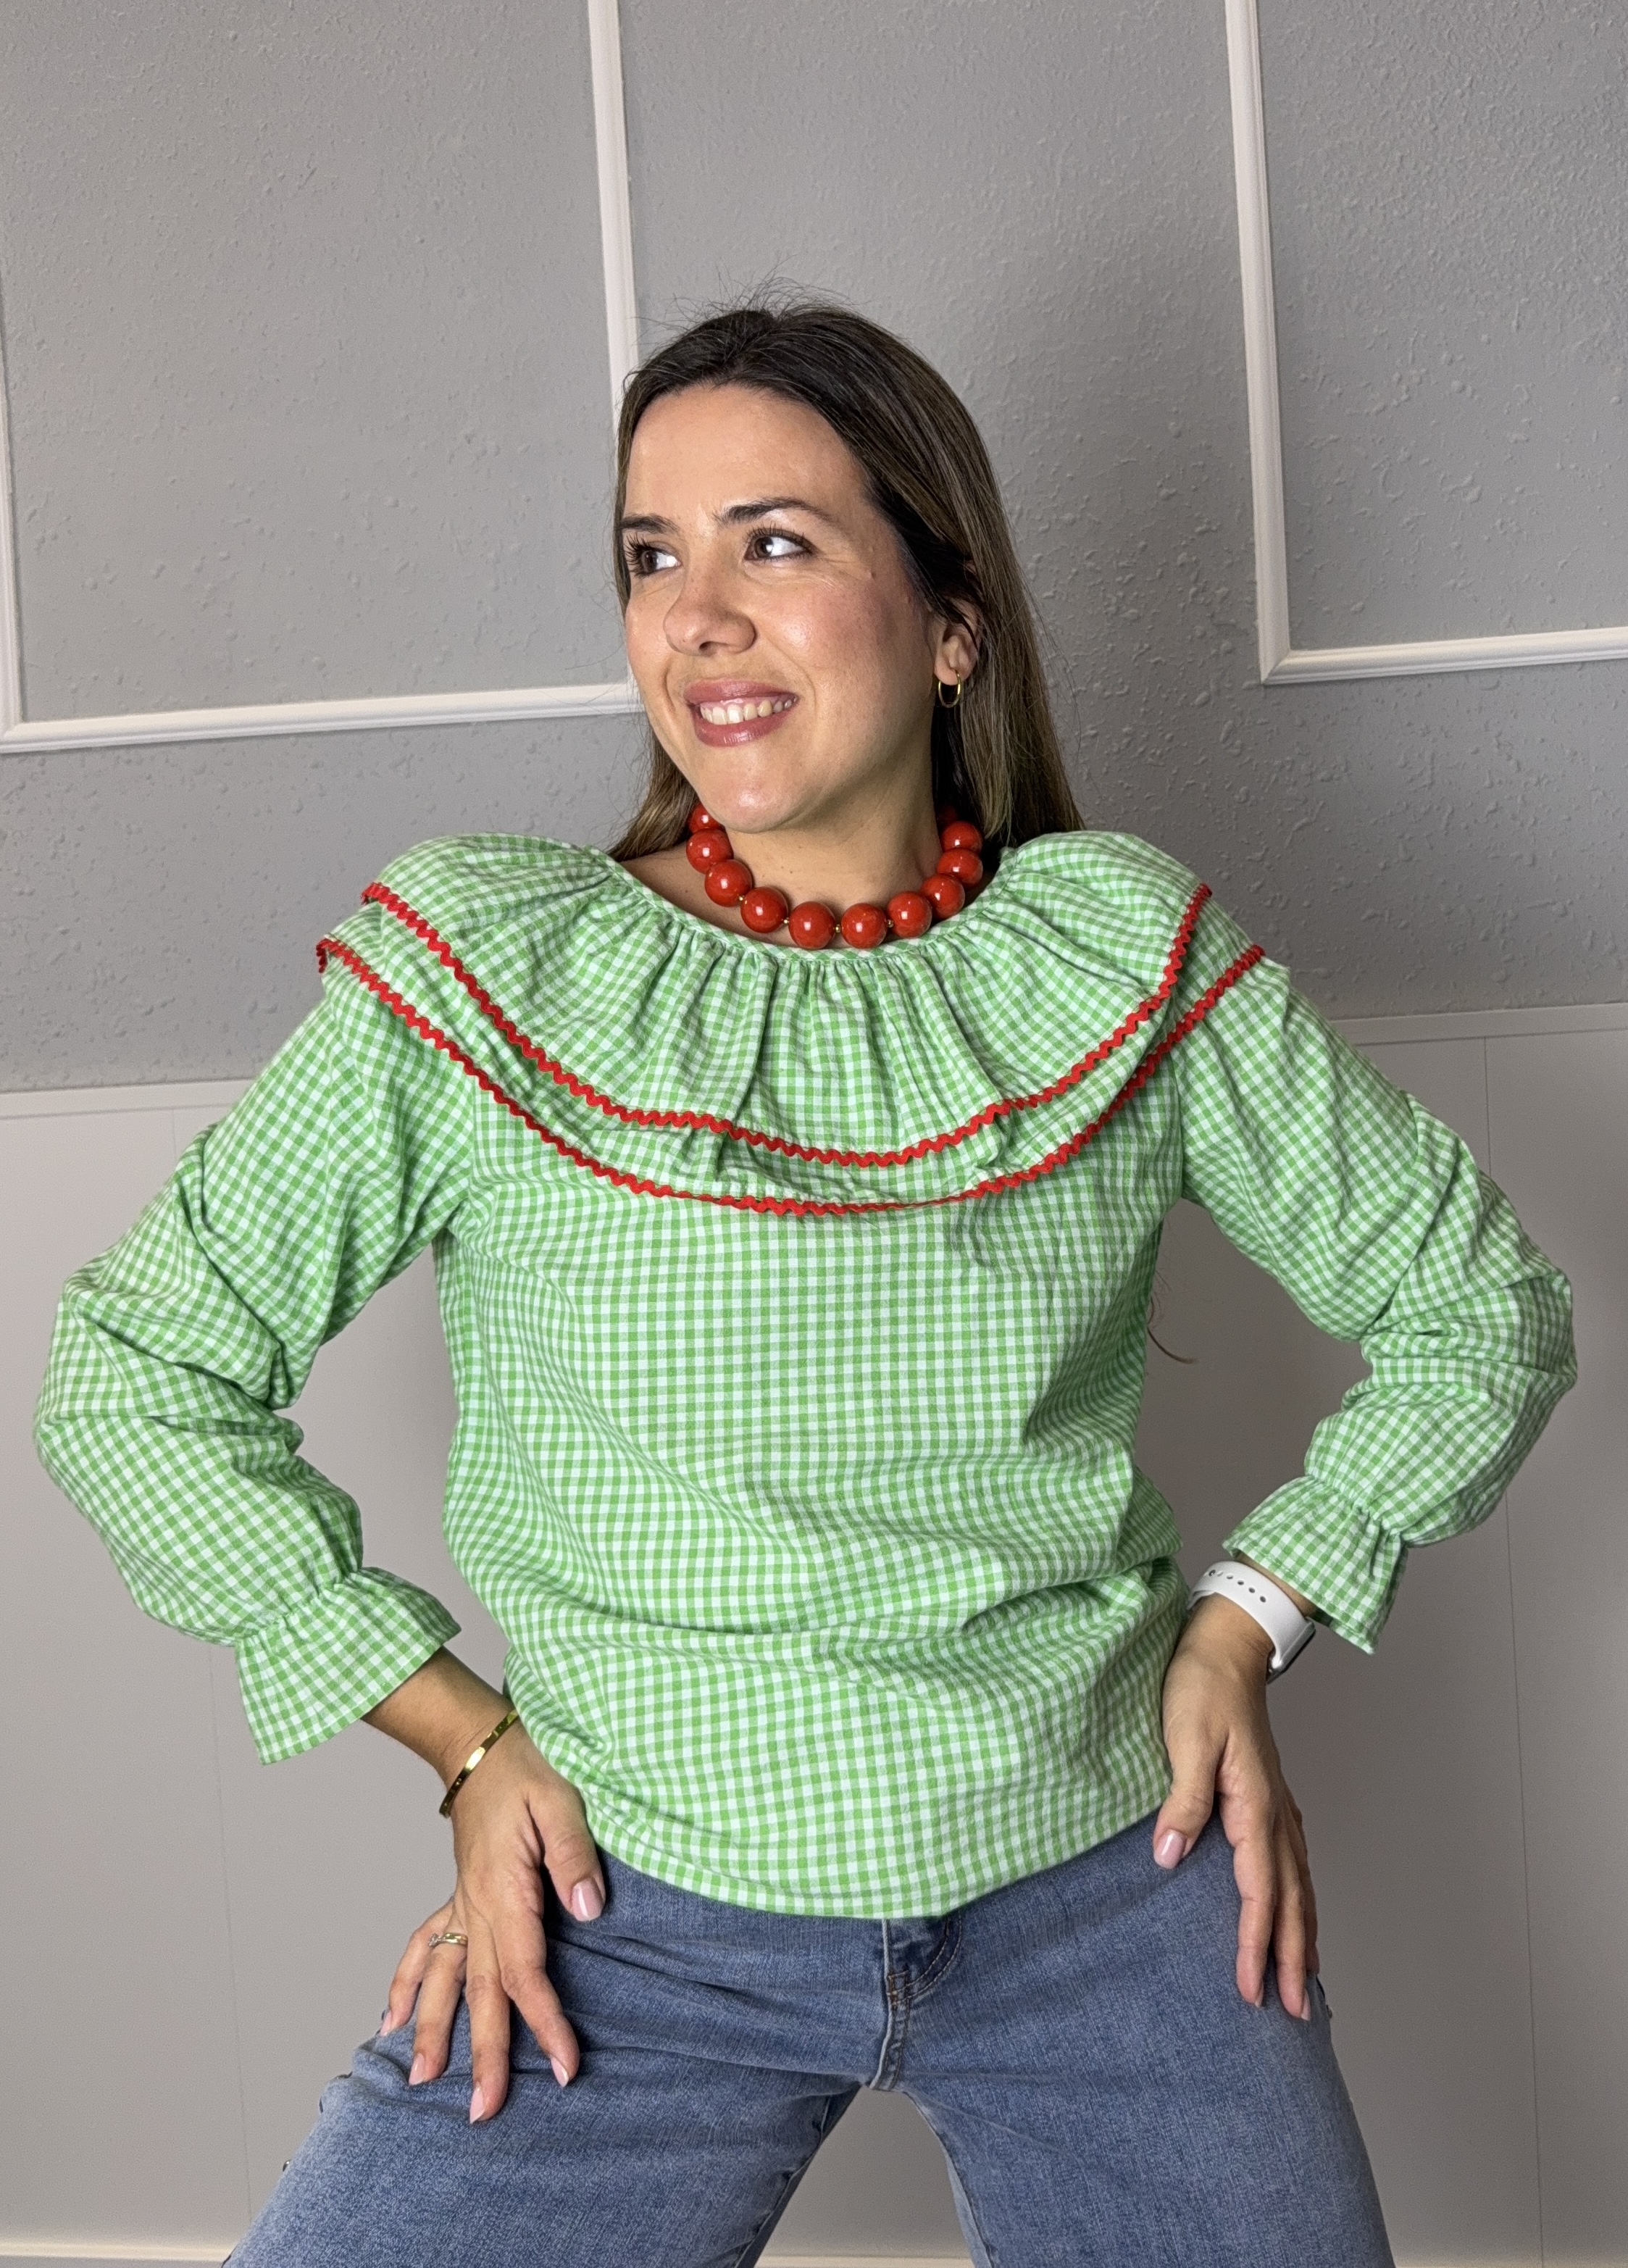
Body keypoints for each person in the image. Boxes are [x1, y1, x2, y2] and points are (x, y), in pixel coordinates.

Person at [36, 302, 1574, 2268]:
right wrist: (465, 1739)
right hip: (629, 1911)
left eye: (772, 542)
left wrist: (1244, 1622)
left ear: (951, 622)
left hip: (1116, 1873)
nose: (695, 619)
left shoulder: (1119, 953)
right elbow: (137, 1372)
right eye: (649, 556)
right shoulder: (490, 965)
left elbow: (1481, 1308)